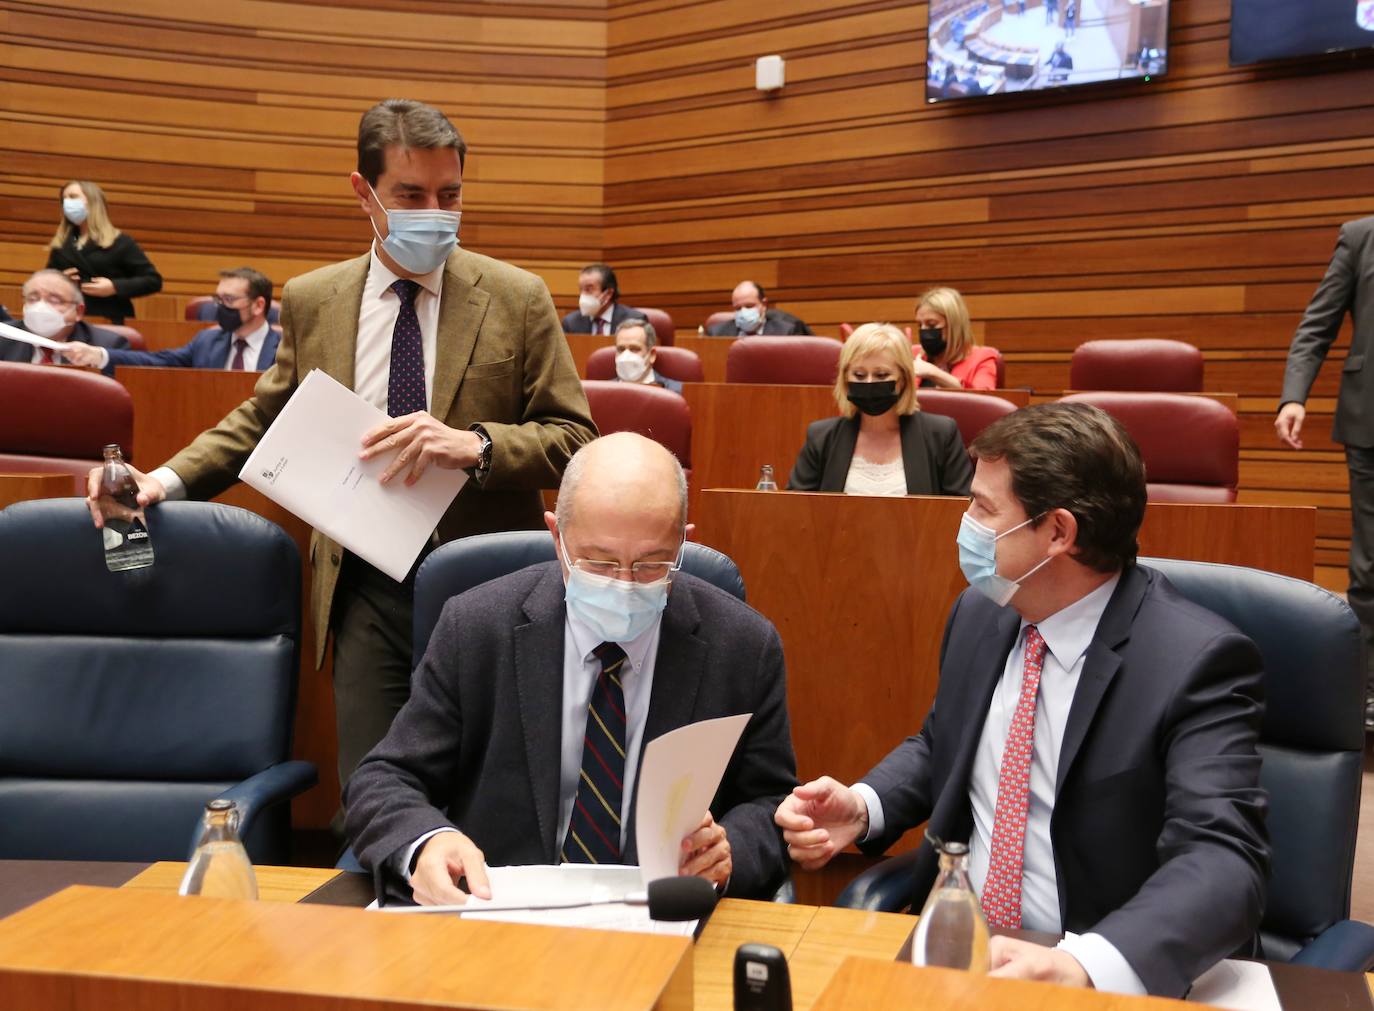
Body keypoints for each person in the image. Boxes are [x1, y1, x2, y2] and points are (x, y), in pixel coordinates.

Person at [83, 99, 597, 794]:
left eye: (451, 195)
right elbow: (266, 418)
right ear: (363, 193)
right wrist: (164, 481)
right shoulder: (316, 298)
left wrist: (473, 443)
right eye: (410, 195)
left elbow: (575, 441)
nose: (435, 212)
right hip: (365, 585)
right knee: (377, 789)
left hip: (488, 583)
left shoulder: (517, 297)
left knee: (492, 793)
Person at [775, 401, 1268, 999]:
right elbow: (943, 742)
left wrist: (1082, 964)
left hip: (1095, 971)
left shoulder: (1195, 662)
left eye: (983, 507)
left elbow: (1222, 861)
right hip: (962, 956)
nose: (966, 522)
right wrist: (864, 805)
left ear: (1057, 532)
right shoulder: (983, 612)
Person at [344, 433, 797, 904]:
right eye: (599, 563)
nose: (624, 585)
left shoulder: (743, 645)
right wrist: (428, 842)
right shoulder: (476, 627)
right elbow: (383, 779)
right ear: (556, 538)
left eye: (650, 564)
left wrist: (728, 853)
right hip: (502, 915)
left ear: (683, 542)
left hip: (662, 918)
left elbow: (772, 804)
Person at [1277, 214, 1374, 727]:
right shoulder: (1361, 236)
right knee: (1369, 563)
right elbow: (1319, 322)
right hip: (1370, 419)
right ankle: (1366, 689)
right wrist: (1295, 396)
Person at [787, 323, 971, 497]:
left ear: (903, 379)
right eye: (859, 375)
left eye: (881, 374)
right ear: (845, 379)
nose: (869, 382)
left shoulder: (941, 435)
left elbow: (963, 513)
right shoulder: (821, 437)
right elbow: (796, 511)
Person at [62, 268, 279, 373]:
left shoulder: (285, 349)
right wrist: (98, 355)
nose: (220, 306)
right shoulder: (207, 340)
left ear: (258, 305)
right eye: (218, 299)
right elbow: (159, 361)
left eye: (229, 299)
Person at [44, 181, 162, 324]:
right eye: (64, 199)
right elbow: (45, 282)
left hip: (110, 318)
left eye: (73, 197)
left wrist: (114, 287)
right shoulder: (62, 244)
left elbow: (153, 281)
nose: (67, 203)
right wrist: (60, 281)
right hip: (68, 318)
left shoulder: (120, 242)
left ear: (93, 201)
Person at [0, 269, 128, 374]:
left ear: (78, 311)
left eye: (55, 301)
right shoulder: (3, 338)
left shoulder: (108, 344)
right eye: (33, 299)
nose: (40, 307)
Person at [913, 286, 1000, 390]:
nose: (924, 331)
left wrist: (934, 373)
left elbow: (986, 400)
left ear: (954, 326)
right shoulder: (912, 355)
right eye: (920, 325)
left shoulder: (982, 358)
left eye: (931, 325)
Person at [561, 263, 643, 336]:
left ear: (608, 294)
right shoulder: (570, 323)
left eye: (588, 289)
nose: (582, 295)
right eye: (581, 289)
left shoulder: (634, 320)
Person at [705, 281, 813, 337]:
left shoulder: (787, 332)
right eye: (738, 308)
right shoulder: (716, 333)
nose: (743, 312)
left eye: (749, 306)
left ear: (764, 304)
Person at [611, 318, 682, 394]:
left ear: (652, 355)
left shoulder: (677, 392)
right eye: (621, 349)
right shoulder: (602, 391)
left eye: (634, 349)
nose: (626, 355)